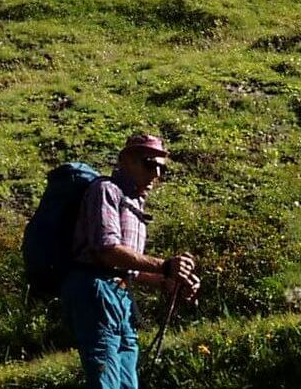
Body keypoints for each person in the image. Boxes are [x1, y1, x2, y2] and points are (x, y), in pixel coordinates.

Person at [64, 134, 202, 389]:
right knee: (105, 377)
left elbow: (131, 269)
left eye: (162, 168)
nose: (157, 174)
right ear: (126, 160)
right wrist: (165, 266)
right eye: (150, 164)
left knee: (128, 382)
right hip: (95, 291)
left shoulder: (135, 206)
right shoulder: (106, 191)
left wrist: (167, 282)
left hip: (120, 295)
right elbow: (106, 251)